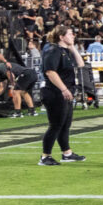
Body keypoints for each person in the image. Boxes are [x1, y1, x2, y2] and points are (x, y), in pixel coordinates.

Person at [39, 25, 85, 166]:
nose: (73, 36)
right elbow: (50, 72)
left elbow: (81, 64)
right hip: (54, 92)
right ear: (61, 37)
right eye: (70, 34)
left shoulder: (65, 51)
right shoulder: (53, 50)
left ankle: (67, 153)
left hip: (65, 91)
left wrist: (72, 48)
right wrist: (64, 89)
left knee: (65, 124)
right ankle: (45, 156)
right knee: (56, 125)